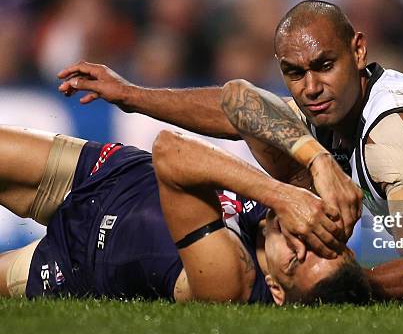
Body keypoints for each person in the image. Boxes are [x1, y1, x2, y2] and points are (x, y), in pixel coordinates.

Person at [57, 0, 403, 306]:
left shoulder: (395, 139)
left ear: (358, 49)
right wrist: (131, 96)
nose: (310, 86)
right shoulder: (336, 108)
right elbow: (237, 106)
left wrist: (343, 285)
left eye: (324, 65)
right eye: (294, 74)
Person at [0, 125, 372, 305]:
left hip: (75, 263)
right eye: (321, 247)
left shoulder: (231, 280)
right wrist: (317, 159)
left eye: (295, 259)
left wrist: (281, 194)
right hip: (107, 172)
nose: (301, 239)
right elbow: (239, 99)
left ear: (275, 288)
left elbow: (170, 151)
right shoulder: (301, 212)